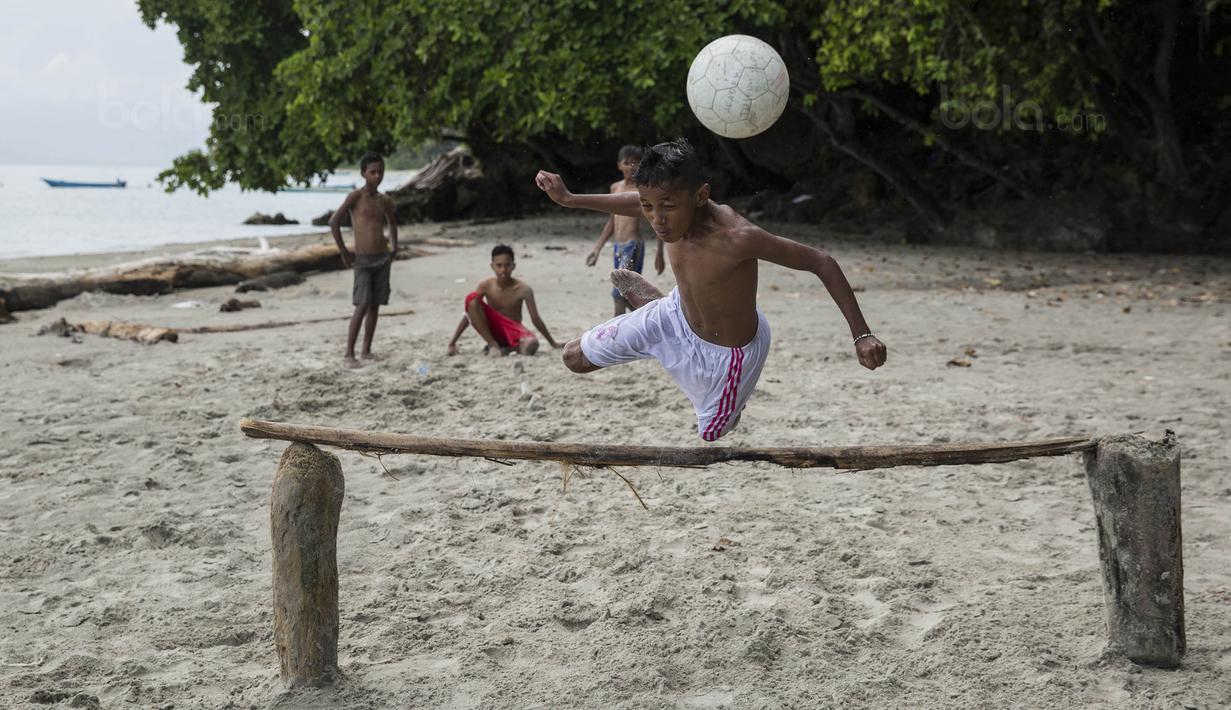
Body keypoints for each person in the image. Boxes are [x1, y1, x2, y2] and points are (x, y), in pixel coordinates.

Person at [534, 138, 887, 441]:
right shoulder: (660, 210)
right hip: (677, 315)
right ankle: (658, 317)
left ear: (701, 195)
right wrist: (569, 198)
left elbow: (821, 261)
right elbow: (635, 203)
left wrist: (862, 335)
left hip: (726, 355)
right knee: (573, 358)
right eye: (647, 207)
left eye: (668, 207)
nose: (656, 219)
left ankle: (660, 332)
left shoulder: (736, 237)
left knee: (714, 432)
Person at [330, 152, 398, 369]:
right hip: (362, 260)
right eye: (372, 172)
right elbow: (334, 222)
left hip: (382, 258)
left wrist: (394, 247)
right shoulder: (355, 198)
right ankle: (349, 353)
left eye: (380, 172)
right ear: (363, 174)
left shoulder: (384, 200)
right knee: (361, 304)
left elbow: (392, 224)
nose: (377, 176)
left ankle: (366, 350)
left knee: (375, 304)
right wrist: (343, 251)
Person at [584, 145, 665, 315]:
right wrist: (597, 248)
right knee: (628, 293)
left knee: (618, 293)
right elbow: (612, 220)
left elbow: (657, 219)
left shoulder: (642, 190)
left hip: (633, 245)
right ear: (619, 165)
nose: (630, 167)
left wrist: (659, 253)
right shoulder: (615, 188)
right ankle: (652, 317)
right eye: (626, 162)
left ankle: (616, 332)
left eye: (635, 163)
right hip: (617, 247)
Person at [447, 244, 564, 357]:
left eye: (507, 265)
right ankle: (493, 345)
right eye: (499, 265)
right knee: (472, 298)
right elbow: (470, 312)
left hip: (514, 329)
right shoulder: (485, 285)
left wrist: (552, 343)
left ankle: (506, 348)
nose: (503, 270)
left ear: (514, 266)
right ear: (492, 266)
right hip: (491, 330)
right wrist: (452, 343)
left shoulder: (524, 289)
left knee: (531, 344)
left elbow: (535, 319)